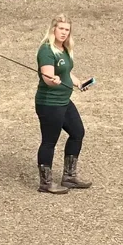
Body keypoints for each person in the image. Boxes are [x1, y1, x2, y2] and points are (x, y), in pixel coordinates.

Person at [34, 14, 93, 194]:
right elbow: (48, 77)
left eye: (67, 30)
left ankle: (69, 176)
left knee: (77, 132)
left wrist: (78, 83)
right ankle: (46, 182)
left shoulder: (65, 49)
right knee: (49, 141)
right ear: (54, 29)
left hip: (64, 101)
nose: (64, 33)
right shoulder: (46, 50)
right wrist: (54, 81)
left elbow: (66, 73)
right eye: (61, 29)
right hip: (49, 103)